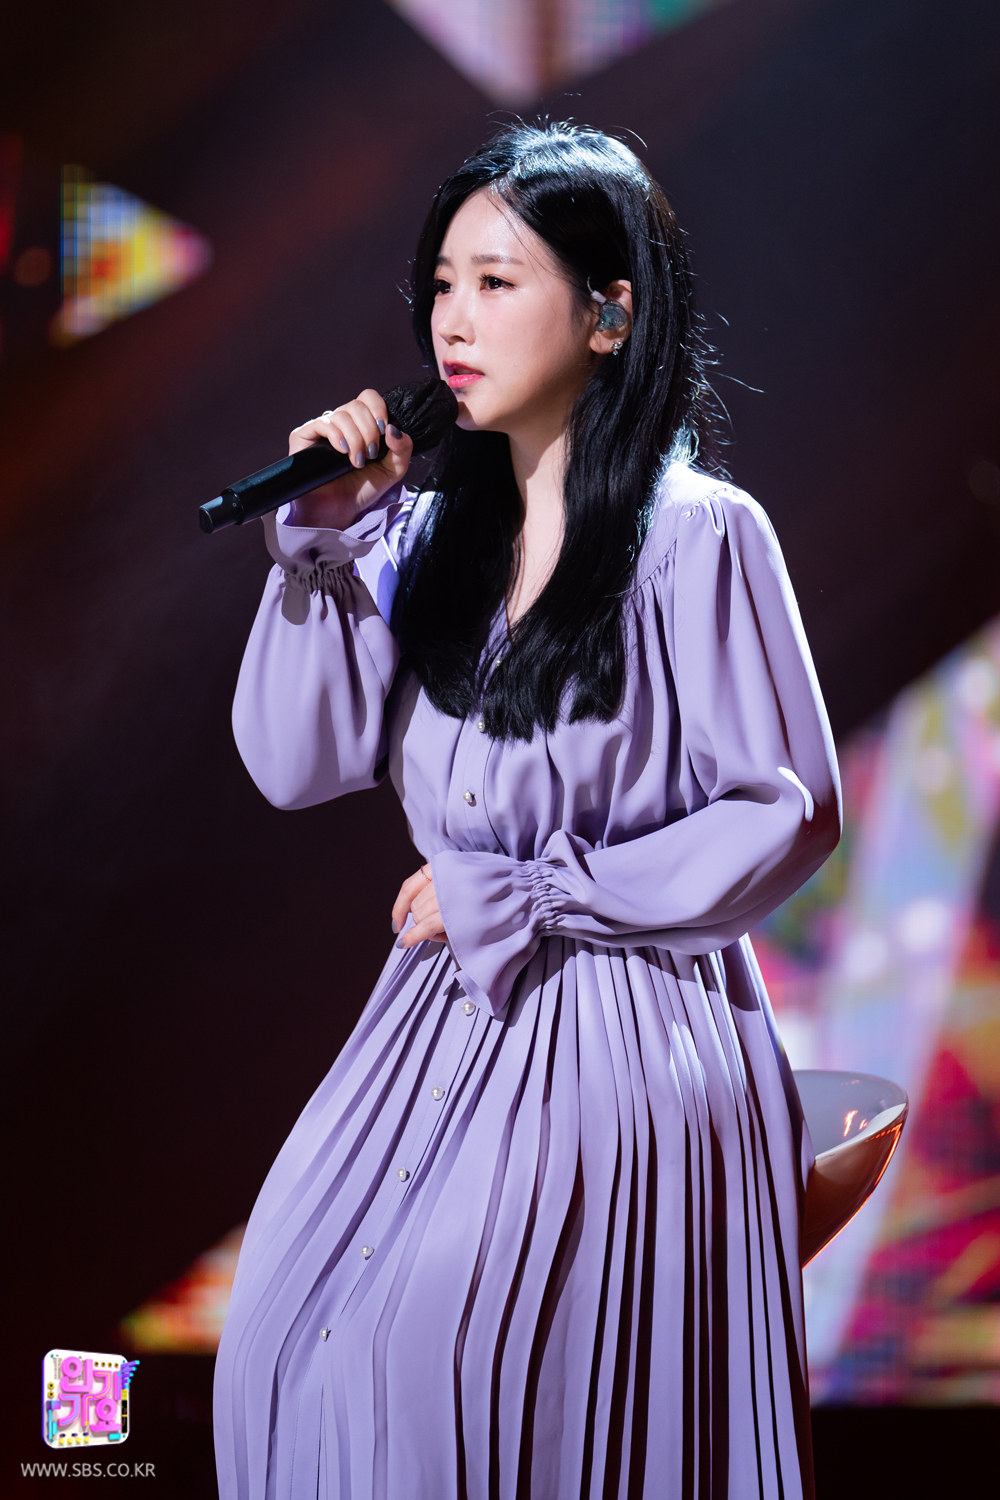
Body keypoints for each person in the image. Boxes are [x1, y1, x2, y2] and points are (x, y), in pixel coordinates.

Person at [214, 122, 840, 1500]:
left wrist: (537, 889)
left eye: (497, 283)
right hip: (438, 1019)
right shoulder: (418, 538)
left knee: (427, 1374)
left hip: (624, 1025)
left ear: (611, 314)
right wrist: (318, 546)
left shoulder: (701, 535)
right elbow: (294, 762)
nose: (454, 320)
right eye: (442, 285)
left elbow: (784, 811)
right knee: (279, 1347)